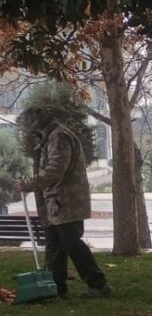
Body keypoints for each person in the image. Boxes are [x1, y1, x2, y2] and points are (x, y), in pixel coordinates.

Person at [16, 107, 111, 299]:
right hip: (56, 201)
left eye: (26, 125)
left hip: (67, 201)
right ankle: (56, 287)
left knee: (72, 244)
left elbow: (55, 171)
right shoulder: (49, 137)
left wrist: (29, 183)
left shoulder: (59, 137)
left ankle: (98, 284)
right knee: (54, 245)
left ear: (35, 123)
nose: (26, 130)